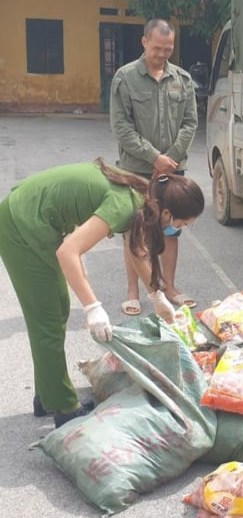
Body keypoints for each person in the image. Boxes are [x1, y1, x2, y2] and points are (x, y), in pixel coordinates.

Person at [0, 159, 205, 428]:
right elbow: (68, 252)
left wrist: (157, 298)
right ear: (166, 213)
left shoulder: (144, 198)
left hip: (36, 219)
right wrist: (92, 307)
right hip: (20, 224)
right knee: (47, 318)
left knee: (56, 309)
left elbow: (137, 251)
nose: (181, 229)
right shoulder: (124, 205)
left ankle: (48, 394)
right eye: (183, 223)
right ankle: (63, 407)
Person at [110, 18, 198, 314]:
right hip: (136, 170)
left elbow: (190, 123)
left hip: (172, 168)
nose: (163, 53)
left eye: (168, 48)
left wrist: (170, 158)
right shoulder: (125, 78)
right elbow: (121, 126)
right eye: (157, 47)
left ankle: (167, 286)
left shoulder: (183, 80)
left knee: (171, 228)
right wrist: (154, 157)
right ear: (144, 42)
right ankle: (134, 291)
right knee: (134, 230)